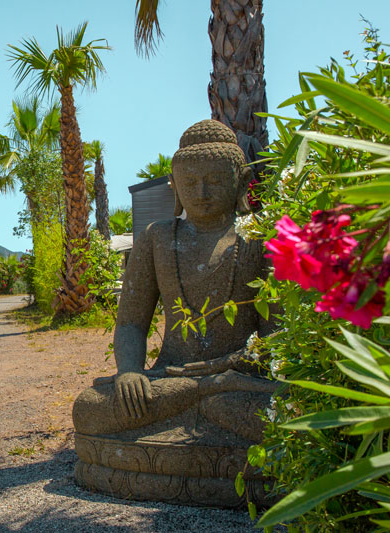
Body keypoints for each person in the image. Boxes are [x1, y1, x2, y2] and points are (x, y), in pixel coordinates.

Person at [72, 120, 277, 442]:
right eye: (190, 182)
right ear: (175, 186)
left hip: (241, 378)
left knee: (285, 408)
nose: (202, 193)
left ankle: (205, 398)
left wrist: (232, 364)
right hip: (170, 376)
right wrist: (129, 371)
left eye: (215, 180)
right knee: (89, 408)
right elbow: (130, 324)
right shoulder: (158, 237)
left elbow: (274, 334)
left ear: (241, 182)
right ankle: (205, 396)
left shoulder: (261, 238)